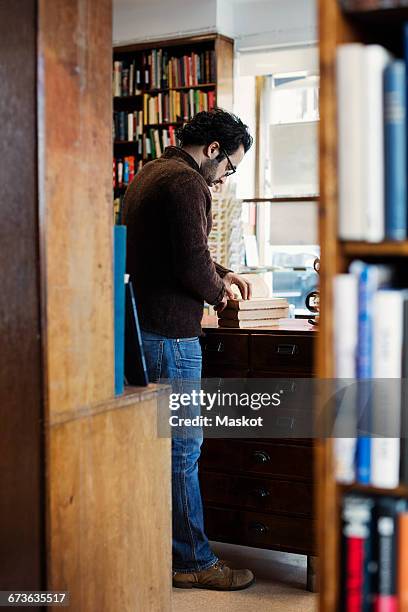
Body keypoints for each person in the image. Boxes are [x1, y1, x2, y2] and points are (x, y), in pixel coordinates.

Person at [122, 108, 255, 591]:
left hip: (143, 333)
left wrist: (221, 271)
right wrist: (219, 290)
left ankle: (154, 550)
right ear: (214, 150)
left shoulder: (150, 173)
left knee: (154, 452)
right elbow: (189, 261)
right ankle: (193, 561)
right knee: (182, 452)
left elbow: (180, 248)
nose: (225, 178)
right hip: (173, 340)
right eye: (230, 167)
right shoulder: (187, 183)